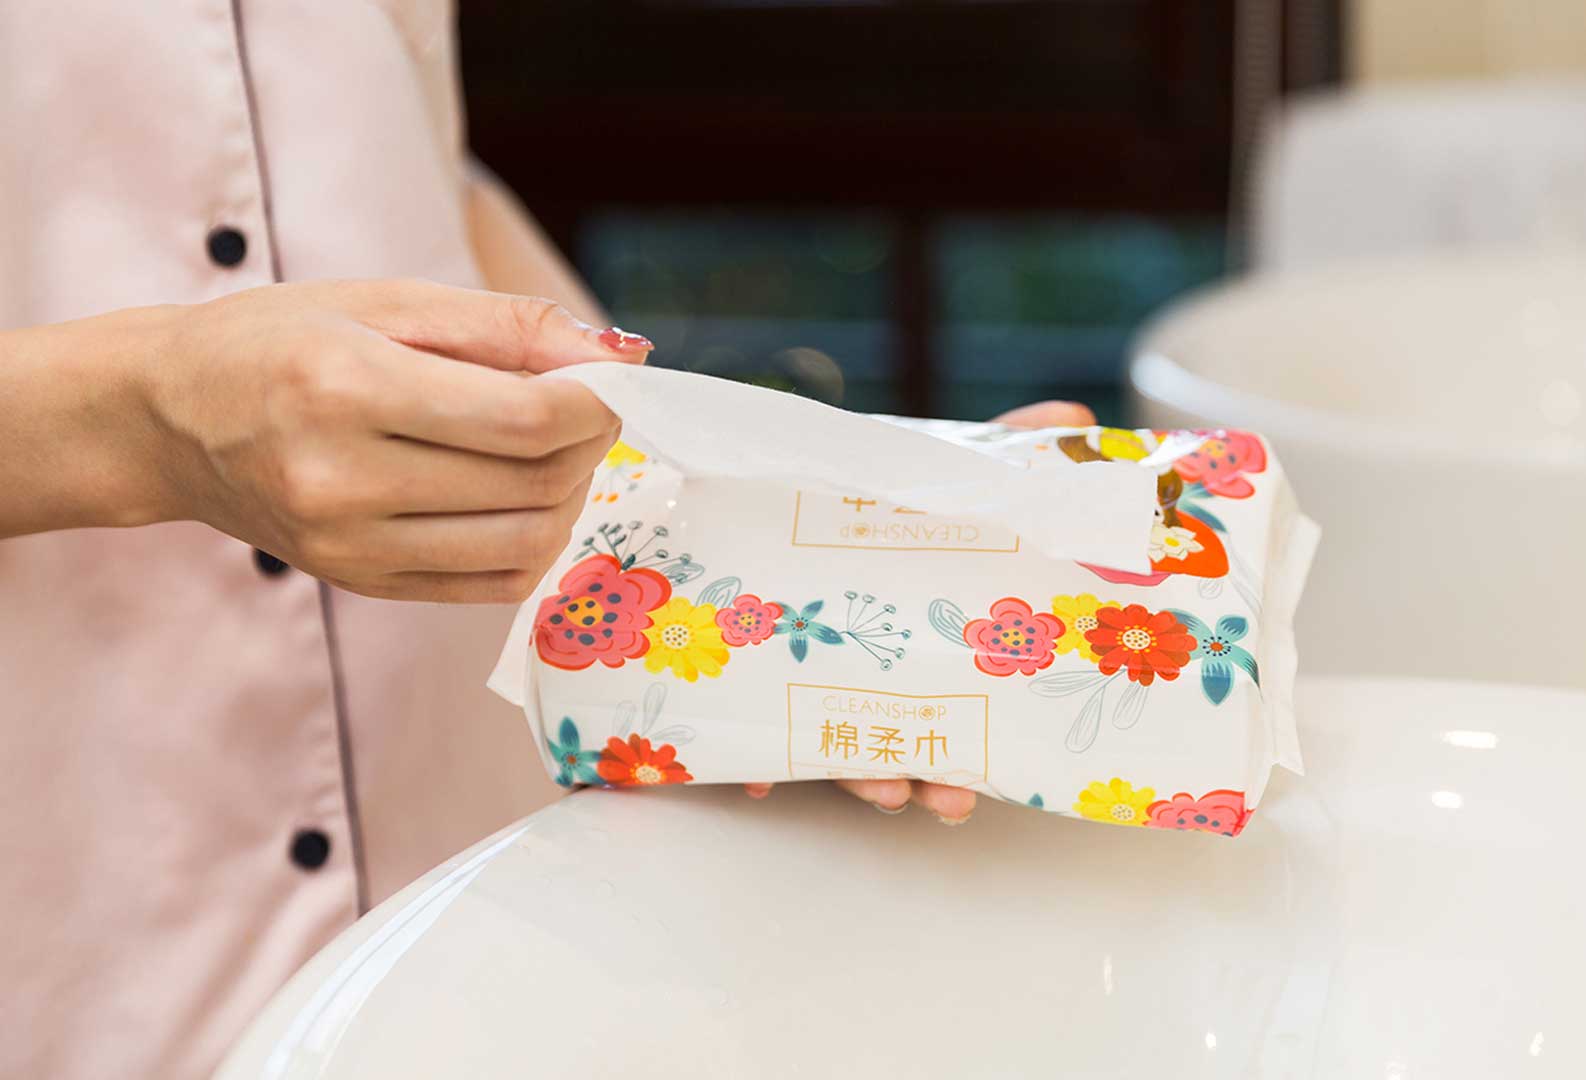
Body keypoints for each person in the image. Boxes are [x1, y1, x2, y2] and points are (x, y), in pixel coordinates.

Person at [0, 4, 1091, 1077]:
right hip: (89, 922)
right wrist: (142, 417)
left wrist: (746, 514)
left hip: (484, 861)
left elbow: (420, 163)